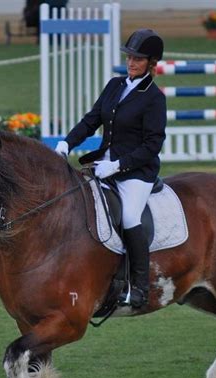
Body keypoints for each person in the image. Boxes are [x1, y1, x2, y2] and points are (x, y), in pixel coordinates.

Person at [54, 29, 167, 309]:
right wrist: (66, 143)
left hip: (136, 171)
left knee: (129, 216)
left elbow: (152, 145)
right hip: (102, 164)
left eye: (138, 59)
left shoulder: (154, 97)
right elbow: (91, 120)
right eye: (129, 57)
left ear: (151, 63)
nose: (131, 63)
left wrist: (118, 165)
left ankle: (139, 288)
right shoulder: (115, 85)